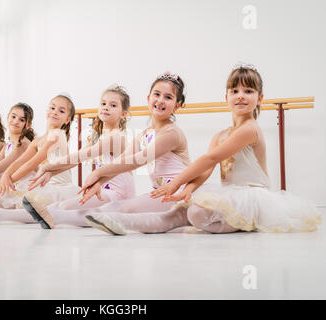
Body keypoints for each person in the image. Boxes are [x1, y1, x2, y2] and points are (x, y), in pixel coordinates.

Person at [86, 64, 322, 235]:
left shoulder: (250, 129)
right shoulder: (221, 135)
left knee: (195, 214)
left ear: (260, 98)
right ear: (226, 96)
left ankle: (236, 223)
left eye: (248, 92)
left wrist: (175, 182)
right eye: (235, 91)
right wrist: (189, 188)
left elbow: (210, 157)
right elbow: (207, 169)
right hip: (229, 193)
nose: (241, 96)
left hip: (252, 196)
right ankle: (117, 221)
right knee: (179, 213)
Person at [70, 72, 191, 234]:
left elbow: (138, 160)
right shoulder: (144, 134)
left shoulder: (171, 133)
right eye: (157, 94)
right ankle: (54, 216)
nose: (161, 100)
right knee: (114, 207)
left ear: (177, 105)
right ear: (149, 98)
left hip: (179, 192)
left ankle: (176, 217)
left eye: (168, 97)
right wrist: (98, 183)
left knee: (126, 208)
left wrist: (98, 172)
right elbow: (123, 161)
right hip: (160, 191)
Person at [26, 85, 135, 228]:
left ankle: (55, 218)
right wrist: (52, 172)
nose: (106, 107)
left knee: (64, 206)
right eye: (103, 104)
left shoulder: (116, 136)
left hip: (120, 192)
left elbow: (82, 156)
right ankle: (3, 214)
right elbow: (74, 161)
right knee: (59, 205)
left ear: (123, 114)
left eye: (113, 105)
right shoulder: (102, 136)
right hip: (106, 188)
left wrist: (48, 166)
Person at [0, 94, 79, 225]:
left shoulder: (57, 135)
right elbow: (21, 161)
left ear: (67, 120)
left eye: (61, 111)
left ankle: (0, 215)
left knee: (23, 203)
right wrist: (7, 175)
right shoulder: (37, 140)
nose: (55, 112)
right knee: (3, 199)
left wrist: (9, 180)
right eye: (52, 108)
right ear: (46, 111)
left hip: (58, 187)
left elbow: (32, 163)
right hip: (42, 184)